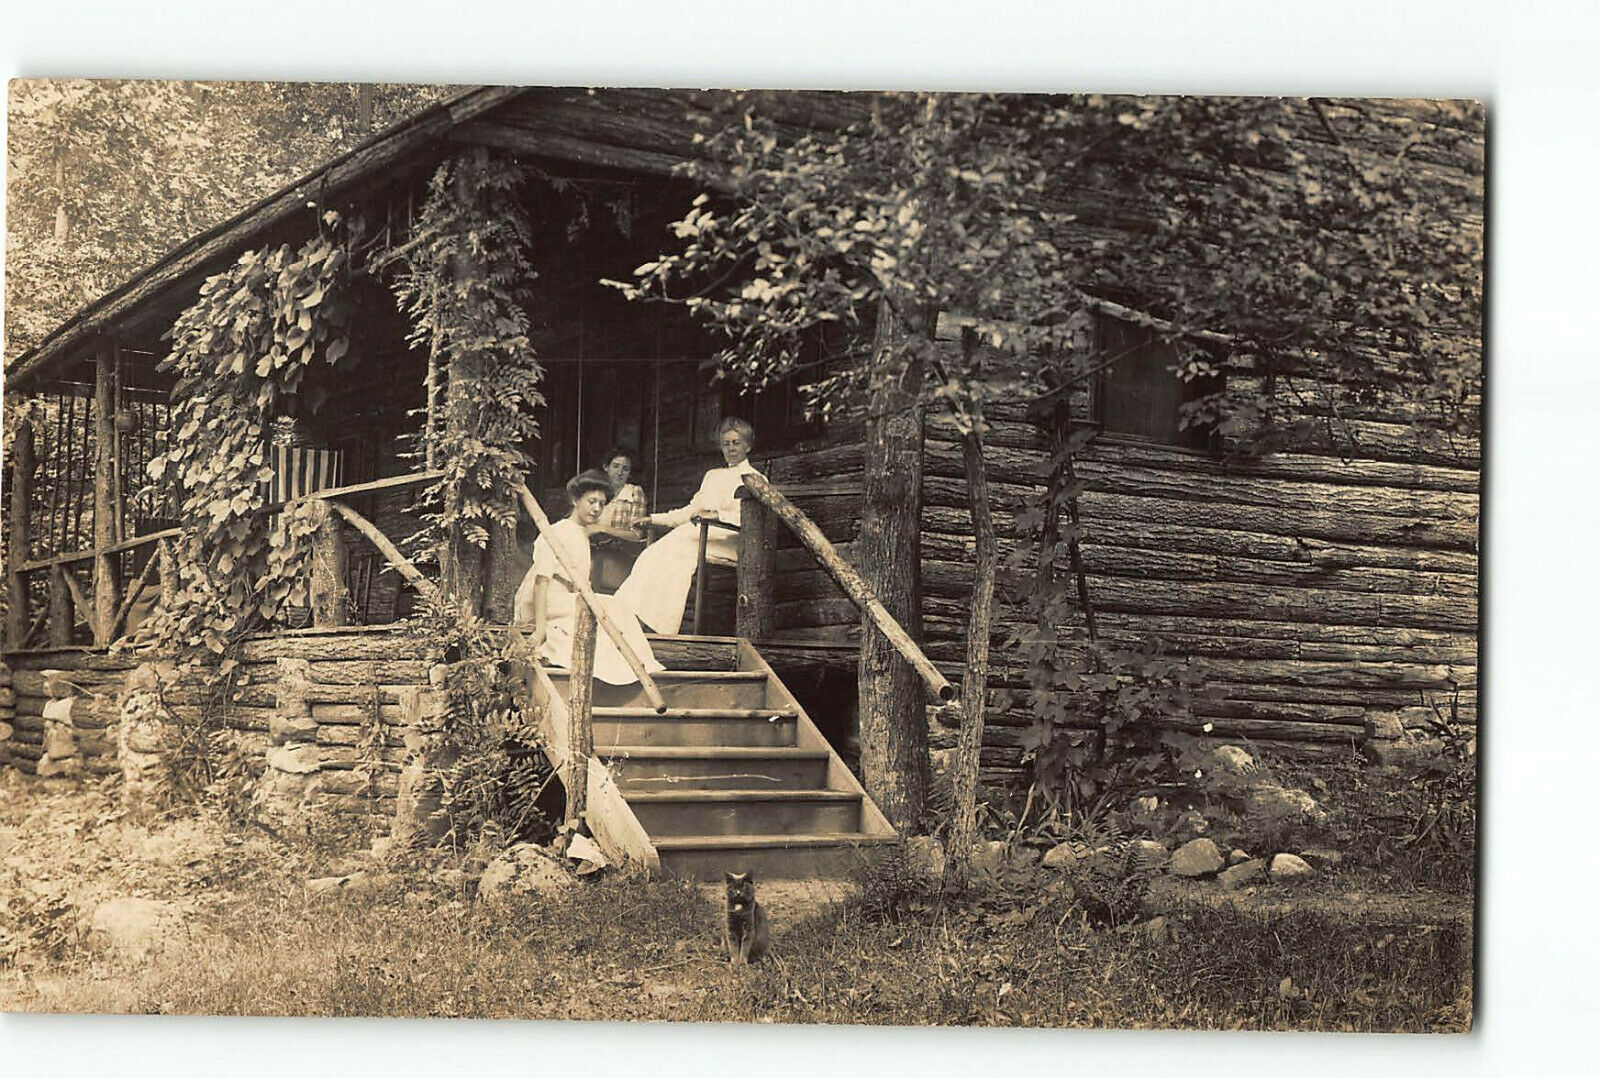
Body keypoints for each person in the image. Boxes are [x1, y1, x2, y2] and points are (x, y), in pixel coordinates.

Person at [514, 470, 664, 686]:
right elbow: (541, 581)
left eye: (602, 504)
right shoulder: (558, 530)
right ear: (576, 500)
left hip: (567, 598)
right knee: (611, 605)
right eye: (591, 501)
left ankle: (639, 668)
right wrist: (539, 629)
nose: (596, 509)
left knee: (617, 607)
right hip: (547, 599)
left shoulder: (581, 533)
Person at [613, 417, 761, 634]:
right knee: (653, 553)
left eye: (736, 443)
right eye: (726, 443)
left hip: (728, 540)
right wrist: (653, 519)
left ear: (748, 445)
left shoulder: (756, 479)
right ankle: (630, 618)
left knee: (677, 554)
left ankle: (662, 628)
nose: (730, 448)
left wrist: (716, 514)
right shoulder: (712, 476)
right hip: (697, 535)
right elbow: (689, 512)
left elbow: (748, 519)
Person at [594, 446, 648, 538]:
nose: (619, 472)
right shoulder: (595, 492)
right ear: (606, 467)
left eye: (625, 469)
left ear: (630, 473)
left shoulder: (634, 492)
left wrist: (603, 529)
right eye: (615, 466)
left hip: (621, 549)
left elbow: (637, 534)